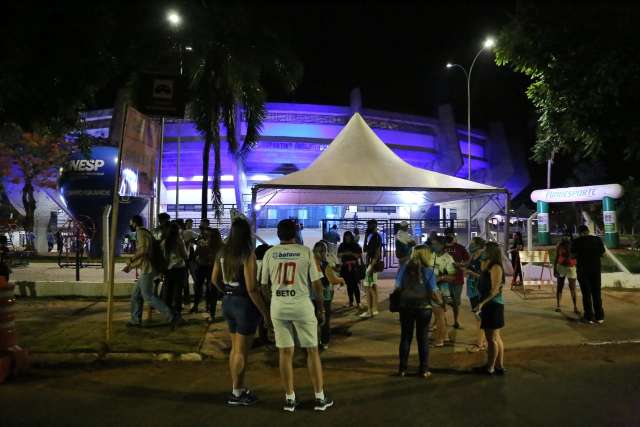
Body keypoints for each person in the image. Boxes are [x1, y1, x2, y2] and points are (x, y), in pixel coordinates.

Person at [260, 219, 334, 412]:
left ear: (278, 234)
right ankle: (319, 396)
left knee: (285, 353)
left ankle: (290, 398)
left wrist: (270, 307)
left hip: (279, 307)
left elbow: (264, 285)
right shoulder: (305, 252)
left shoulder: (270, 253)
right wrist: (321, 308)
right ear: (296, 233)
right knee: (312, 351)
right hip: (302, 305)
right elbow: (317, 285)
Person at [211, 217, 269, 407]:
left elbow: (214, 280)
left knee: (236, 348)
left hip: (228, 302)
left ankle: (237, 388)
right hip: (244, 305)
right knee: (242, 351)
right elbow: (252, 288)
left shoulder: (222, 252)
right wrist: (265, 313)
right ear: (246, 233)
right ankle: (237, 393)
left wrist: (226, 291)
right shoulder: (247, 254)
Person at [395, 245, 442, 378]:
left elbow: (397, 287)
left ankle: (402, 369)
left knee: (405, 337)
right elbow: (434, 292)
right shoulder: (428, 271)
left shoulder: (403, 268)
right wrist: (440, 302)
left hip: (406, 307)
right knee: (422, 338)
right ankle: (424, 369)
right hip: (423, 308)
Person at [123, 215, 177, 327]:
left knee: (147, 295)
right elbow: (145, 256)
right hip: (147, 267)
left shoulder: (140, 233)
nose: (130, 225)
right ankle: (135, 320)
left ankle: (171, 315)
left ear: (134, 223)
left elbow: (143, 251)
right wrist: (131, 266)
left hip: (148, 269)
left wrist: (131, 260)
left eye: (130, 222)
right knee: (135, 295)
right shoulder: (146, 232)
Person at [474, 242, 505, 375]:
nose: (482, 251)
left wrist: (481, 304)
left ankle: (490, 367)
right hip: (490, 304)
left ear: (491, 252)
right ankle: (498, 366)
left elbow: (494, 291)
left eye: (485, 249)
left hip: (493, 305)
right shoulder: (488, 265)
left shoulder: (496, 267)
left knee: (491, 339)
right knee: (495, 337)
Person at [313, 241, 345, 350]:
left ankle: (312, 341)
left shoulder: (308, 263)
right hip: (324, 295)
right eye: (325, 252)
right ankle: (324, 341)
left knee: (311, 320)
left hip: (309, 296)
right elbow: (333, 280)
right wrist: (342, 279)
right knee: (324, 319)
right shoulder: (324, 265)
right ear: (322, 252)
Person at [572, 225, 606, 324]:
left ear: (580, 232)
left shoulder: (577, 241)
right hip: (596, 270)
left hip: (583, 271)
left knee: (586, 294)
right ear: (588, 231)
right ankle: (599, 317)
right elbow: (603, 254)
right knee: (597, 293)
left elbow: (573, 255)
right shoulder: (597, 239)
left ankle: (589, 317)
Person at [191, 227, 223, 322]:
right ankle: (204, 307)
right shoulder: (204, 244)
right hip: (204, 267)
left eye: (209, 235)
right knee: (202, 287)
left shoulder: (218, 246)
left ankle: (209, 309)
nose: (208, 237)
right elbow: (196, 255)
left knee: (211, 289)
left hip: (211, 268)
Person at [430, 236, 457, 347]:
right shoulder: (432, 255)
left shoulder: (448, 258)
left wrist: (440, 278)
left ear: (442, 245)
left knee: (439, 315)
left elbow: (452, 277)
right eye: (433, 244)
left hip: (441, 290)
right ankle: (444, 336)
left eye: (436, 244)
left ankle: (439, 340)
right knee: (439, 315)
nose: (433, 246)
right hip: (432, 288)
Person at [463, 237, 487, 352]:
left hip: (479, 290)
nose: (470, 245)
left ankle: (479, 344)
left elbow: (485, 277)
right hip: (472, 289)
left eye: (472, 243)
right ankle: (483, 341)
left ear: (478, 245)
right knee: (477, 316)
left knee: (480, 317)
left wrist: (471, 273)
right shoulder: (473, 256)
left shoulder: (483, 257)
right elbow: (467, 265)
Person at [443, 228, 470, 329]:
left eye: (450, 235)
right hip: (443, 279)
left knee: (455, 302)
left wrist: (459, 264)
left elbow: (468, 261)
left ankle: (456, 320)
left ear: (454, 235)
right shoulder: (441, 247)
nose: (449, 237)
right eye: (447, 235)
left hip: (457, 279)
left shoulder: (460, 247)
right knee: (442, 300)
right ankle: (441, 320)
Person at [161, 222, 188, 317]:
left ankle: (168, 312)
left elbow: (163, 257)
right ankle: (177, 312)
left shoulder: (165, 242)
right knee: (178, 291)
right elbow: (185, 255)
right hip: (180, 268)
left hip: (169, 269)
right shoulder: (179, 241)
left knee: (168, 291)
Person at [361, 219, 383, 318]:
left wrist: (371, 266)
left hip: (371, 265)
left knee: (368, 287)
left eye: (369, 225)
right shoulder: (371, 236)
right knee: (372, 286)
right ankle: (374, 309)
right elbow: (365, 249)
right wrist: (365, 236)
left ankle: (370, 310)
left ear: (374, 225)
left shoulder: (376, 236)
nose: (368, 227)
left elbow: (377, 252)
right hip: (370, 264)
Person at [554, 232, 579, 314]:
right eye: (565, 236)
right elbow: (557, 257)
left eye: (568, 236)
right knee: (560, 286)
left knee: (572, 287)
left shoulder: (574, 244)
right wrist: (555, 269)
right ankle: (558, 305)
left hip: (572, 267)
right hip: (561, 267)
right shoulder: (559, 245)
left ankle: (575, 307)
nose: (566, 237)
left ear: (570, 236)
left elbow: (577, 256)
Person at [337, 231, 363, 309]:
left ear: (351, 237)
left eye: (349, 236)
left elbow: (359, 255)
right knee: (348, 285)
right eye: (346, 236)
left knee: (355, 285)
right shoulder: (342, 245)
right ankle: (351, 301)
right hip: (345, 268)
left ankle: (358, 302)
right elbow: (338, 255)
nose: (347, 238)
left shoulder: (355, 245)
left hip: (354, 267)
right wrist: (346, 254)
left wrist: (350, 253)